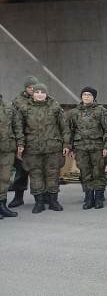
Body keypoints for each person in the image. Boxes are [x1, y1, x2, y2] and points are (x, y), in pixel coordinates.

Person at [19, 83, 70, 213]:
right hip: (32, 149)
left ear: (46, 94)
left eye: (42, 92)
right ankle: (39, 202)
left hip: (53, 148)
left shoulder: (55, 107)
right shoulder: (25, 109)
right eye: (37, 92)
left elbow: (64, 128)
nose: (40, 95)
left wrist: (66, 144)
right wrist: (20, 145)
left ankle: (53, 201)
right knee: (35, 175)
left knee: (53, 175)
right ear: (33, 93)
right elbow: (19, 129)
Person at [67, 86, 107, 210]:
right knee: (85, 173)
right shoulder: (74, 113)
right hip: (80, 147)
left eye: (89, 95)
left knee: (98, 172)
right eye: (84, 94)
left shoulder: (101, 111)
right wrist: (70, 148)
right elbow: (69, 131)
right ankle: (88, 197)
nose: (86, 97)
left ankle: (98, 197)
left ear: (94, 97)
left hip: (97, 147)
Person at [7, 75, 39, 209]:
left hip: (39, 141)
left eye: (34, 87)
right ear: (25, 88)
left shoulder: (43, 98)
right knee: (21, 170)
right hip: (22, 141)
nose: (32, 90)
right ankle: (18, 196)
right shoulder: (17, 102)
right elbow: (12, 121)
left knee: (40, 170)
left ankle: (44, 197)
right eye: (29, 87)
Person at [0, 93, 23, 218]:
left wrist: (20, 143)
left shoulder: (9, 107)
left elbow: (17, 126)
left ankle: (2, 205)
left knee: (4, 178)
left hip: (7, 148)